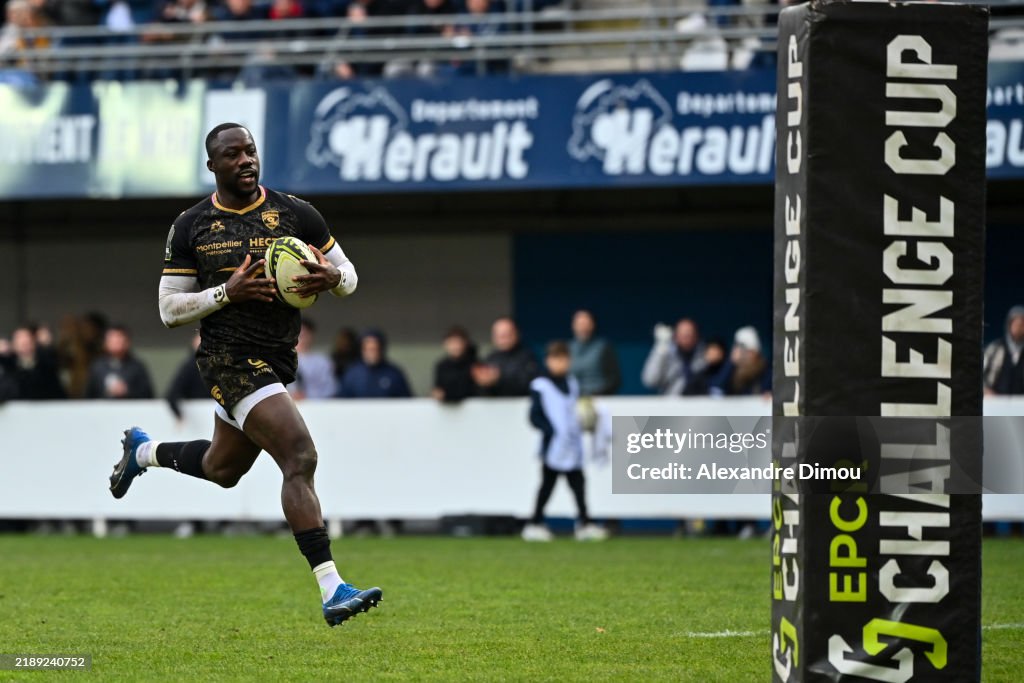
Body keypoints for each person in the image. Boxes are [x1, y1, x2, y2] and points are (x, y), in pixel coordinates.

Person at [107, 123, 381, 628]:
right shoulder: (192, 225)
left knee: (222, 470)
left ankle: (142, 452)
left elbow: (350, 275)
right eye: (232, 155)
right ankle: (332, 586)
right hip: (228, 359)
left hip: (276, 360)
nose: (246, 160)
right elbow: (168, 310)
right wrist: (225, 294)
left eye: (250, 150)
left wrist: (333, 277)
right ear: (213, 166)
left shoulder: (296, 213)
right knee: (300, 455)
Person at [521, 341, 608, 542]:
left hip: (572, 446)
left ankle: (585, 523)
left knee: (579, 486)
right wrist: (550, 430)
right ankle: (534, 523)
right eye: (556, 359)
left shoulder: (572, 383)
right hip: (553, 447)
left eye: (564, 359)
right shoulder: (540, 385)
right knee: (547, 486)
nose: (560, 363)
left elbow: (575, 411)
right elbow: (534, 417)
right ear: (548, 361)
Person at [473, 317, 540, 397]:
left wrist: (499, 379)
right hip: (494, 408)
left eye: (507, 334)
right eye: (499, 335)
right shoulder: (490, 358)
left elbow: (529, 386)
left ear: (516, 334)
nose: (503, 338)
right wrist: (483, 384)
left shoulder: (527, 357)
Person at [641, 317, 708, 396]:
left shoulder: (706, 355)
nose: (686, 337)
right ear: (675, 336)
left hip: (701, 404)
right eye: (683, 334)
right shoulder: (665, 353)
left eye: (689, 334)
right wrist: (660, 349)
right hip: (671, 404)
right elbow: (650, 381)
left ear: (696, 336)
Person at [85, 326, 155, 399]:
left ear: (127, 342)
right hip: (102, 408)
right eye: (112, 340)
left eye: (119, 340)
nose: (116, 344)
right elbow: (89, 395)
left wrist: (127, 391)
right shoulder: (97, 367)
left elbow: (148, 394)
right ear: (105, 343)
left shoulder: (137, 367)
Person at [337, 330, 412, 398]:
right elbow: (342, 402)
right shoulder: (352, 374)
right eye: (368, 349)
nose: (372, 353)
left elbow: (406, 401)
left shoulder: (394, 374)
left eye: (375, 349)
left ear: (381, 349)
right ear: (362, 350)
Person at [0, 324, 66, 400]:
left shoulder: (46, 367)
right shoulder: (7, 368)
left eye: (27, 338)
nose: (24, 342)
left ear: (34, 342)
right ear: (13, 344)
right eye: (19, 339)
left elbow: (56, 393)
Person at [568, 309, 620, 396]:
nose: (583, 327)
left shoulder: (604, 347)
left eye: (586, 324)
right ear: (573, 326)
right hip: (573, 399)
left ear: (592, 325)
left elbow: (614, 379)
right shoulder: (567, 348)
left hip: (600, 399)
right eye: (580, 324)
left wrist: (599, 393)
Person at [165, 330, 209, 420]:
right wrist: (179, 415)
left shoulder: (218, 365)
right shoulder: (190, 366)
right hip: (200, 417)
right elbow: (172, 393)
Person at [289, 319, 337, 400]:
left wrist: (307, 396)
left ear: (311, 336)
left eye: (303, 335)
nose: (299, 339)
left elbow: (329, 389)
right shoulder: (281, 361)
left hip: (316, 406)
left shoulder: (322, 361)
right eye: (296, 334)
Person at [984, 305, 1024, 395]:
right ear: (1009, 325)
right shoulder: (995, 349)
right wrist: (986, 391)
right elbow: (980, 374)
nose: (1019, 328)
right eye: (1016, 324)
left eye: (1022, 325)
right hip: (996, 402)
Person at [431, 326, 478, 403]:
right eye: (452, 343)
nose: (455, 347)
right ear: (445, 344)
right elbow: (438, 388)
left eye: (458, 342)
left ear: (465, 344)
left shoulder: (474, 365)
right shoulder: (441, 366)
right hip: (446, 411)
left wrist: (445, 395)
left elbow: (469, 390)